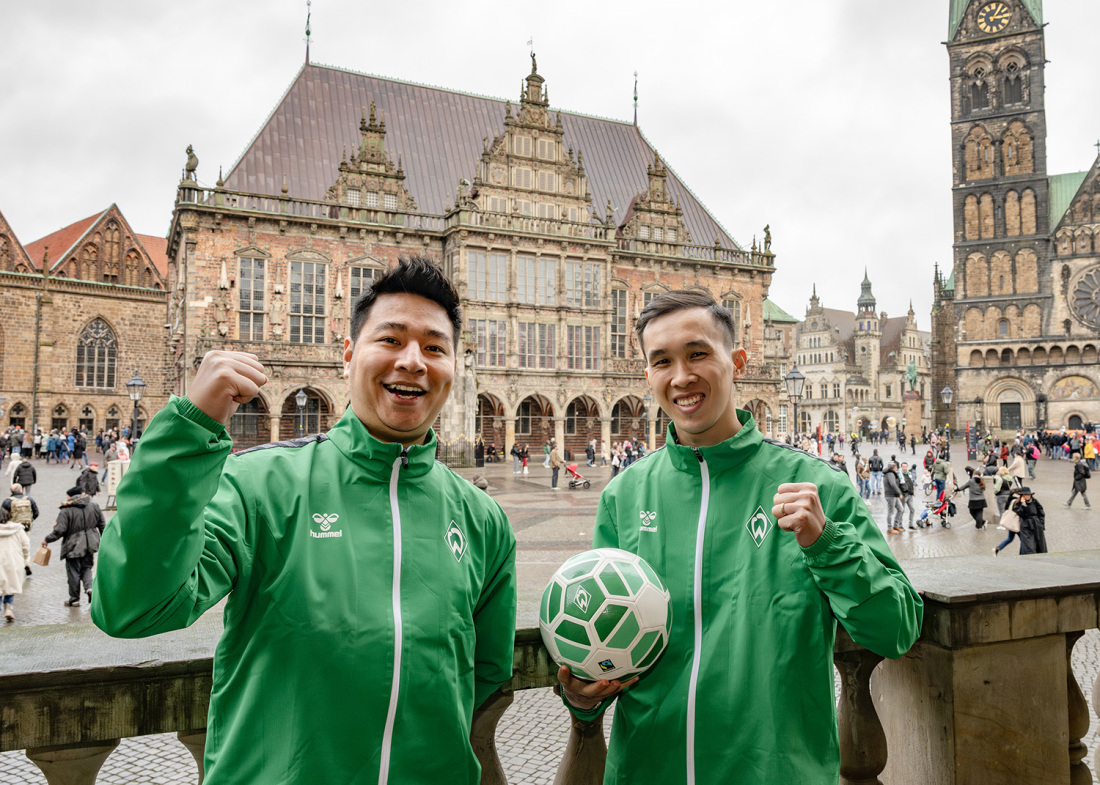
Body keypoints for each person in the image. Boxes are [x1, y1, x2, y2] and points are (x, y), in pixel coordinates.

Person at [91, 257, 517, 785]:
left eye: (435, 347)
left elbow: (485, 672)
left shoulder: (483, 519)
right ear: (347, 355)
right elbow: (132, 608)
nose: (413, 361)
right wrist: (186, 434)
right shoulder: (257, 485)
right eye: (390, 339)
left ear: (455, 369)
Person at [555, 290, 922, 785]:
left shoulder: (818, 486)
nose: (681, 376)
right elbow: (600, 649)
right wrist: (582, 693)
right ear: (648, 376)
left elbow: (896, 628)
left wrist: (828, 545)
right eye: (662, 361)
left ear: (738, 362)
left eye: (698, 353)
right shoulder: (624, 497)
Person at [42, 485, 105, 607]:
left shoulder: (66, 510)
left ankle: (74, 598)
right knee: (86, 568)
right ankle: (89, 588)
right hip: (90, 543)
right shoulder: (94, 506)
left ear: (71, 497)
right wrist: (104, 539)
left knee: (73, 572)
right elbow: (102, 525)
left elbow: (59, 530)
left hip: (73, 545)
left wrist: (47, 539)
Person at [0, 507, 30, 621]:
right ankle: (9, 607)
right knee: (10, 584)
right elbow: (25, 545)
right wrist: (26, 558)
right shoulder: (17, 529)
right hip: (13, 560)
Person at [1013, 486, 1047, 554]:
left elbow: (1041, 513)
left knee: (1040, 546)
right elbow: (1021, 513)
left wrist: (1041, 524)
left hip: (1036, 525)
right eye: (1026, 494)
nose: (1027, 496)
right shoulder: (1018, 504)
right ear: (1022, 495)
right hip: (1026, 526)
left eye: (1029, 494)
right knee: (1029, 547)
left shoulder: (1035, 501)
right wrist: (1024, 505)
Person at [884, 461, 903, 534]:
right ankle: (889, 528)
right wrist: (899, 493)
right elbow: (893, 484)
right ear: (895, 468)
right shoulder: (890, 474)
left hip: (894, 495)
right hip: (890, 495)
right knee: (891, 512)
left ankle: (895, 525)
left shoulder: (892, 473)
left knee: (901, 509)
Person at [899, 461, 918, 529]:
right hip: (904, 495)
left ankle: (911, 524)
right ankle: (900, 524)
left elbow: (911, 483)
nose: (904, 468)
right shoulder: (899, 475)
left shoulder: (909, 474)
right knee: (902, 510)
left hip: (910, 495)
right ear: (901, 467)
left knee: (912, 509)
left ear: (907, 467)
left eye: (905, 467)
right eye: (903, 467)